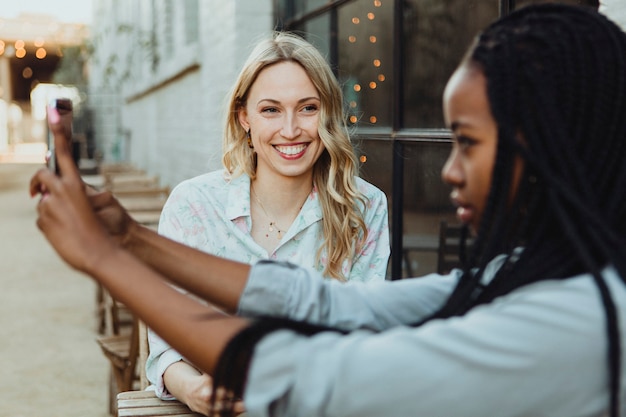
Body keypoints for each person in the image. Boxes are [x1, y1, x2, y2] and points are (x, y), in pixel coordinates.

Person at [32, 4, 626, 417]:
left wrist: (104, 258)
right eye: (269, 110)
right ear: (244, 116)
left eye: (466, 142)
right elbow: (323, 302)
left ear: (552, 149)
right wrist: (130, 240)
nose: (446, 171)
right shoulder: (522, 274)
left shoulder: (579, 323)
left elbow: (313, 378)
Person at [146, 31, 390, 413]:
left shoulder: (366, 207)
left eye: (308, 108)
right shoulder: (193, 206)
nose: (290, 130)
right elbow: (165, 342)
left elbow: (362, 337)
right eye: (271, 110)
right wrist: (193, 390)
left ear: (328, 112)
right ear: (244, 116)